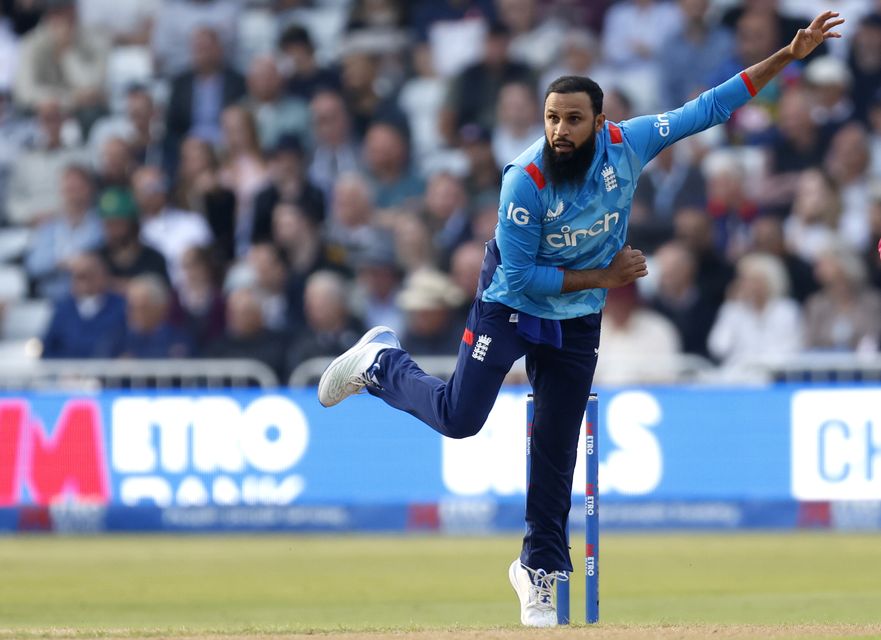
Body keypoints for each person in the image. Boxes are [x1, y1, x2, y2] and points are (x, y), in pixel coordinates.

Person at [317, 11, 844, 628]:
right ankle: (382, 363)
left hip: (576, 319)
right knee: (460, 418)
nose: (559, 131)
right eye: (551, 118)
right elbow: (519, 280)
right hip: (510, 306)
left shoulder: (632, 142)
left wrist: (788, 54)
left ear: (600, 122)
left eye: (572, 119)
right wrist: (605, 276)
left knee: (557, 446)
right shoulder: (526, 180)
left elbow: (712, 106)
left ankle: (538, 567)